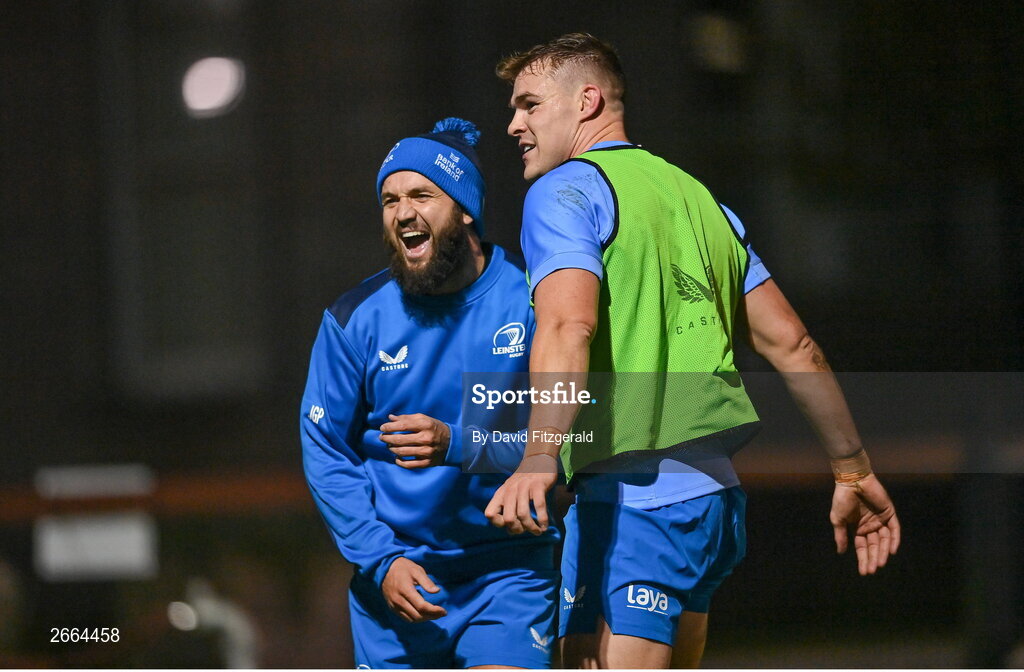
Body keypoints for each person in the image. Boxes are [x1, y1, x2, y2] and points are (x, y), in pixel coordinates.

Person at [483, 33, 901, 669]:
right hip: (708, 502)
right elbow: (793, 342)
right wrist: (853, 468)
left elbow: (568, 326)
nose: (513, 124)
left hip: (640, 501)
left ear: (587, 101)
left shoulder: (563, 192)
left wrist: (539, 453)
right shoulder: (702, 201)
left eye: (530, 105)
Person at [300, 117, 559, 669]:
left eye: (422, 194)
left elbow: (584, 431)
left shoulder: (535, 300)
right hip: (398, 582)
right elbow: (325, 451)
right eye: (390, 199)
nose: (402, 212)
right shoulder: (355, 320)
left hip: (507, 571)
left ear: (466, 208)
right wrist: (380, 559)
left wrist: (459, 444)